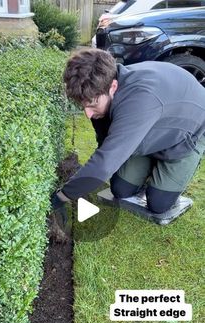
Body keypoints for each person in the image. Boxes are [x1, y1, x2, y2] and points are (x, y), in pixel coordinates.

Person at [51, 48, 205, 216]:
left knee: (158, 203)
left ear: (113, 87)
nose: (87, 114)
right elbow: (106, 148)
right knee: (121, 189)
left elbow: (104, 164)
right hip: (150, 130)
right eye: (83, 106)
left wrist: (60, 198)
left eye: (92, 105)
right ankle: (150, 163)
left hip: (185, 137)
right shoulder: (103, 86)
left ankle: (166, 173)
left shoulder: (139, 102)